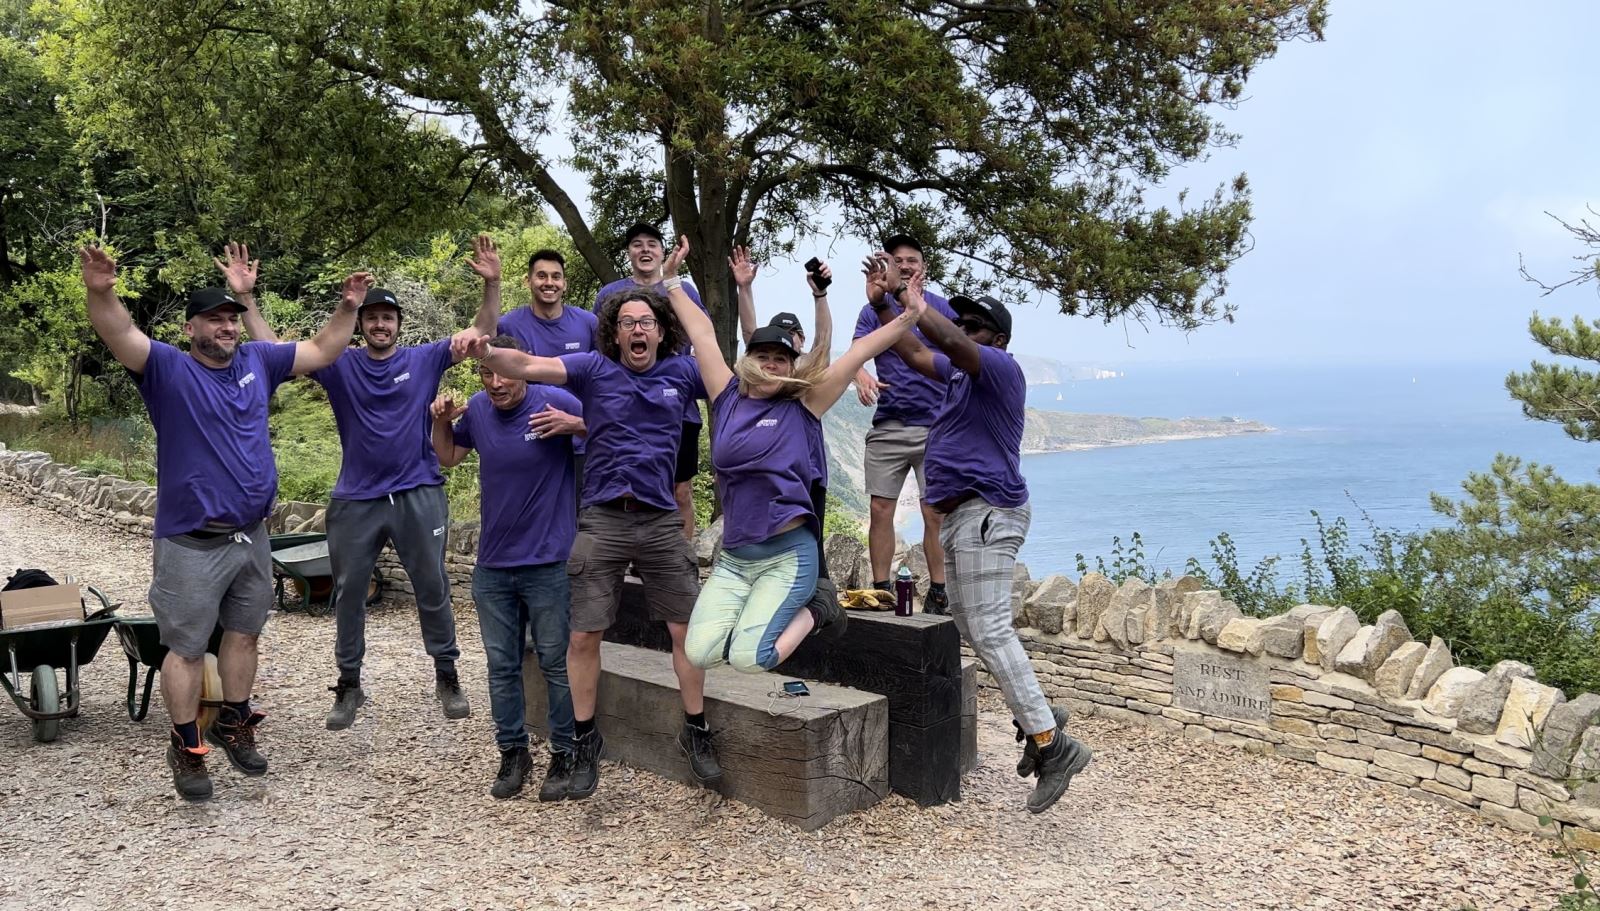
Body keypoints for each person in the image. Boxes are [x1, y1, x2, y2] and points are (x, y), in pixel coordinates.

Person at [78, 244, 362, 801]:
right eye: (216, 319)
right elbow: (118, 333)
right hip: (191, 541)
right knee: (184, 649)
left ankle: (234, 720)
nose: (228, 327)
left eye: (233, 318)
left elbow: (325, 349)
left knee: (245, 634)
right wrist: (100, 291)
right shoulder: (166, 368)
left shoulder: (260, 361)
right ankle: (186, 746)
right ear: (191, 329)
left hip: (250, 535)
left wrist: (348, 307)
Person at [455, 285, 718, 799]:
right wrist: (485, 352)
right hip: (602, 518)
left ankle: (697, 730)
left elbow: (729, 368)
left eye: (646, 322)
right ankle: (583, 740)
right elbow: (528, 364)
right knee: (582, 637)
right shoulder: (594, 369)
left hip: (662, 519)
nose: (637, 329)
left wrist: (681, 287)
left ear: (662, 331)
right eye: (627, 322)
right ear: (613, 333)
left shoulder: (683, 374)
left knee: (687, 632)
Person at [231, 237, 500, 730]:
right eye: (371, 317)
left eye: (388, 318)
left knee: (432, 586)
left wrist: (492, 281)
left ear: (398, 325)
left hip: (418, 491)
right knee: (348, 592)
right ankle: (349, 684)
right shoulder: (341, 365)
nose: (380, 324)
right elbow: (273, 351)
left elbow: (482, 331)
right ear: (361, 324)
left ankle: (447, 675)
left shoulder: (423, 359)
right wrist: (246, 300)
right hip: (357, 497)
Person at [873, 263, 1092, 814]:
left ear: (996, 339)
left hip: (989, 510)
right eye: (962, 324)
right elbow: (917, 354)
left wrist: (912, 301)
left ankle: (1052, 744)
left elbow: (940, 337)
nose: (963, 330)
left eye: (974, 326)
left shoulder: (998, 368)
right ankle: (1041, 716)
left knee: (990, 630)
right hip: (964, 517)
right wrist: (885, 307)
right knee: (973, 626)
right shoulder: (955, 375)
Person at [670, 238, 922, 672]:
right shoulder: (726, 396)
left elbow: (858, 351)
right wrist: (670, 279)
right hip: (734, 558)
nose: (771, 364)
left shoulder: (804, 404)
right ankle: (760, 610)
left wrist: (910, 315)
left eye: (781, 359)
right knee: (699, 653)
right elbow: (701, 333)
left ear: (792, 365)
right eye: (763, 356)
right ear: (749, 359)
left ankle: (820, 608)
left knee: (752, 659)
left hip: (788, 552)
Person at [430, 336, 584, 801]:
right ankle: (513, 751)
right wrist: (438, 423)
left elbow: (612, 430)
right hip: (493, 565)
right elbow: (447, 456)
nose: (496, 383)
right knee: (501, 665)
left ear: (522, 367)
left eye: (504, 372)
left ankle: (565, 752)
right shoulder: (477, 409)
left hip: (549, 560)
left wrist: (576, 423)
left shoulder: (554, 398)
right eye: (486, 374)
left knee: (557, 664)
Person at [729, 246, 840, 613]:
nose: (787, 340)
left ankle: (819, 603)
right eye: (781, 334)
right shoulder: (761, 372)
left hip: (807, 471)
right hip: (769, 474)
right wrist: (744, 289)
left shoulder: (802, 374)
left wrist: (820, 296)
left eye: (793, 335)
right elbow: (750, 334)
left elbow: (823, 346)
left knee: (810, 537)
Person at [852, 234, 957, 612]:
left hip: (937, 426)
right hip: (890, 423)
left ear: (924, 268)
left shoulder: (942, 309)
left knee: (934, 511)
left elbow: (956, 354)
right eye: (898, 261)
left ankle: (940, 592)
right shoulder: (871, 310)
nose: (906, 266)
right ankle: (881, 588)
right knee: (880, 509)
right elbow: (857, 353)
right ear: (889, 268)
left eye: (912, 260)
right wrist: (860, 374)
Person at [593, 222, 708, 539]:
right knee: (625, 488)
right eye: (637, 244)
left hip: (677, 408)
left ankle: (680, 558)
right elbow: (600, 350)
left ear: (662, 251)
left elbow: (702, 338)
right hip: (621, 409)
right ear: (629, 252)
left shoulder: (682, 291)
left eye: (652, 244)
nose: (645, 249)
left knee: (679, 489)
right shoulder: (610, 294)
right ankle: (631, 556)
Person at [478, 243, 595, 492]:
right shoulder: (509, 324)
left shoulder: (588, 323)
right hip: (527, 439)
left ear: (565, 283)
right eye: (541, 276)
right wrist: (492, 283)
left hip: (579, 440)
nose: (549, 282)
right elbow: (483, 347)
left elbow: (606, 378)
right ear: (528, 281)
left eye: (556, 276)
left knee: (583, 520)